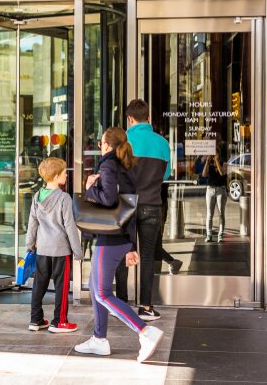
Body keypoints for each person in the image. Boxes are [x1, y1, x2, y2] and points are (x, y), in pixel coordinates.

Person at [75, 127, 163, 363]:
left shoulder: (108, 164)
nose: (100, 145)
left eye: (102, 141)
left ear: (108, 145)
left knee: (102, 293)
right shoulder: (127, 166)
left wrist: (90, 187)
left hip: (110, 238)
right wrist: (131, 245)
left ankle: (145, 331)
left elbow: (109, 199)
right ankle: (99, 339)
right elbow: (129, 207)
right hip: (120, 237)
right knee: (96, 290)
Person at [118, 98, 181, 322]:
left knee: (122, 255)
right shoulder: (162, 143)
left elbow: (116, 173)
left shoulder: (124, 141)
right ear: (149, 118)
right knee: (147, 257)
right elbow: (165, 175)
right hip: (152, 205)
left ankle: (121, 305)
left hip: (126, 206)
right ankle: (146, 306)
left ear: (130, 119)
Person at [25, 157, 82, 334]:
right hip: (60, 250)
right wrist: (77, 251)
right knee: (61, 287)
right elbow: (70, 226)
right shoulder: (64, 198)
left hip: (42, 249)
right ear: (57, 176)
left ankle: (36, 319)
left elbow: (32, 223)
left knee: (39, 285)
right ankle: (60, 321)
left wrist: (30, 243)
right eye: (65, 172)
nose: (67, 174)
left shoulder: (37, 196)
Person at [201, 154, 228, 243]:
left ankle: (220, 235)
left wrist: (217, 162)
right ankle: (209, 235)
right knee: (209, 214)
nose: (213, 156)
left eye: (216, 154)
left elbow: (222, 173)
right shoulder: (209, 163)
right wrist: (207, 162)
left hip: (221, 190)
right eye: (212, 155)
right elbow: (204, 174)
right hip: (210, 189)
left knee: (221, 214)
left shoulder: (223, 162)